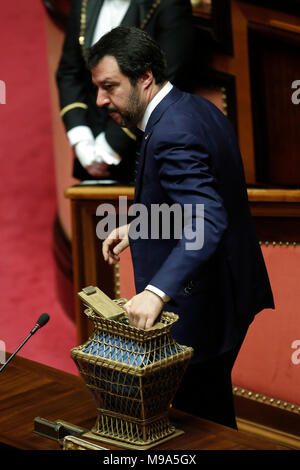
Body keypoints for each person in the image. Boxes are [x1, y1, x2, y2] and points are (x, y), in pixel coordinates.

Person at [87, 26, 274, 428]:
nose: (100, 100)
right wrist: (141, 224)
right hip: (225, 294)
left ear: (144, 78)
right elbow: (197, 198)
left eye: (109, 86)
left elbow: (207, 218)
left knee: (194, 426)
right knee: (210, 416)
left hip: (201, 307)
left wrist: (156, 291)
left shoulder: (173, 132)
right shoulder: (195, 108)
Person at [56, 0, 196, 183]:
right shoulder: (83, 3)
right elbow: (69, 72)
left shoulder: (170, 5)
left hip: (146, 153)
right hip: (90, 157)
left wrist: (111, 146)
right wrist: (81, 139)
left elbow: (164, 79)